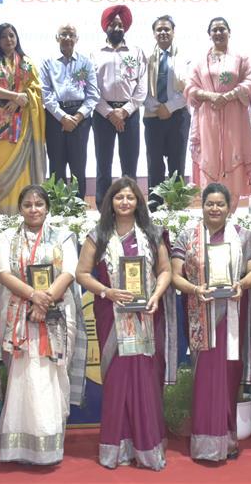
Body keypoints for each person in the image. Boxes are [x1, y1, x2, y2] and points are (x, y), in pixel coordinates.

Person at [75, 177, 177, 470]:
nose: (124, 202)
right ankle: (116, 448)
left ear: (138, 202)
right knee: (118, 380)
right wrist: (106, 292)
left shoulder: (152, 233)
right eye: (119, 197)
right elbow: (82, 273)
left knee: (145, 379)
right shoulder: (98, 235)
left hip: (147, 315)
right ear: (110, 202)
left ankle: (147, 447)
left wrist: (155, 296)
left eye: (130, 197)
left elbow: (165, 270)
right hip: (112, 316)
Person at [0, 185, 87, 464]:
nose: (33, 209)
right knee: (23, 376)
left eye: (38, 204)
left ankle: (49, 446)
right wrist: (33, 296)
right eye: (27, 205)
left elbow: (69, 272)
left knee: (50, 375)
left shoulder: (63, 236)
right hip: (20, 316)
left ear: (47, 208)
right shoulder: (7, 238)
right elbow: (3, 273)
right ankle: (19, 447)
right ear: (20, 209)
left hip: (56, 317)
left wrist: (43, 301)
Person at [170, 183, 251, 461]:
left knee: (228, 376)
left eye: (220, 203)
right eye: (210, 203)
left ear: (229, 207)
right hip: (200, 315)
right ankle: (204, 443)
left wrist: (241, 285)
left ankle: (227, 440)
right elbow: (175, 276)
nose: (215, 208)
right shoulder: (187, 236)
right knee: (206, 378)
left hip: (232, 315)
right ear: (202, 205)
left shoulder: (244, 236)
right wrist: (195, 289)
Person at [185, 17, 251, 209]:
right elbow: (190, 87)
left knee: (233, 156)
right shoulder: (200, 61)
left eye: (222, 29)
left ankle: (231, 212)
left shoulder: (241, 58)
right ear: (209, 34)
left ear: (229, 32)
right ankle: (212, 211)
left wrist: (229, 95)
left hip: (235, 117)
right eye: (214, 30)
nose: (218, 33)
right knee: (209, 159)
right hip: (208, 119)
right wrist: (209, 95)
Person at [0, 23, 46, 214]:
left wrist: (23, 98)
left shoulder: (26, 62)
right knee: (1, 165)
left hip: (23, 125)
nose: (8, 40)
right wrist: (14, 96)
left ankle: (22, 210)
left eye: (11, 35)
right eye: (3, 36)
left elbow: (37, 90)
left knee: (22, 169)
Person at [91, 6, 147, 206]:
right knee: (103, 164)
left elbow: (142, 86)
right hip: (102, 115)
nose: (117, 28)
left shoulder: (136, 52)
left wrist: (125, 111)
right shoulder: (95, 54)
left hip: (129, 114)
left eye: (120, 25)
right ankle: (103, 207)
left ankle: (129, 205)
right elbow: (91, 88)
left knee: (129, 164)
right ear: (105, 27)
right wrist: (109, 113)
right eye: (113, 24)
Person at [40, 24, 99, 199]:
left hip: (80, 117)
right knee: (56, 164)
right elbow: (45, 93)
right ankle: (57, 206)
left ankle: (77, 207)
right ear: (57, 38)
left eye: (71, 35)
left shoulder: (86, 62)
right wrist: (62, 116)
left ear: (76, 39)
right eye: (63, 34)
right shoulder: (47, 62)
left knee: (78, 165)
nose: (67, 38)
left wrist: (78, 116)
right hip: (54, 116)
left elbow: (93, 94)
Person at [144, 15, 191, 210]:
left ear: (173, 32)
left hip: (178, 116)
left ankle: (176, 205)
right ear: (154, 33)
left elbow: (189, 87)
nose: (163, 32)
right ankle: (155, 205)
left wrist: (169, 107)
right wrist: (157, 107)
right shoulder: (145, 57)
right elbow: (140, 88)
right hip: (152, 116)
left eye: (167, 29)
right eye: (159, 29)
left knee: (176, 163)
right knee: (154, 163)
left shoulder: (184, 56)